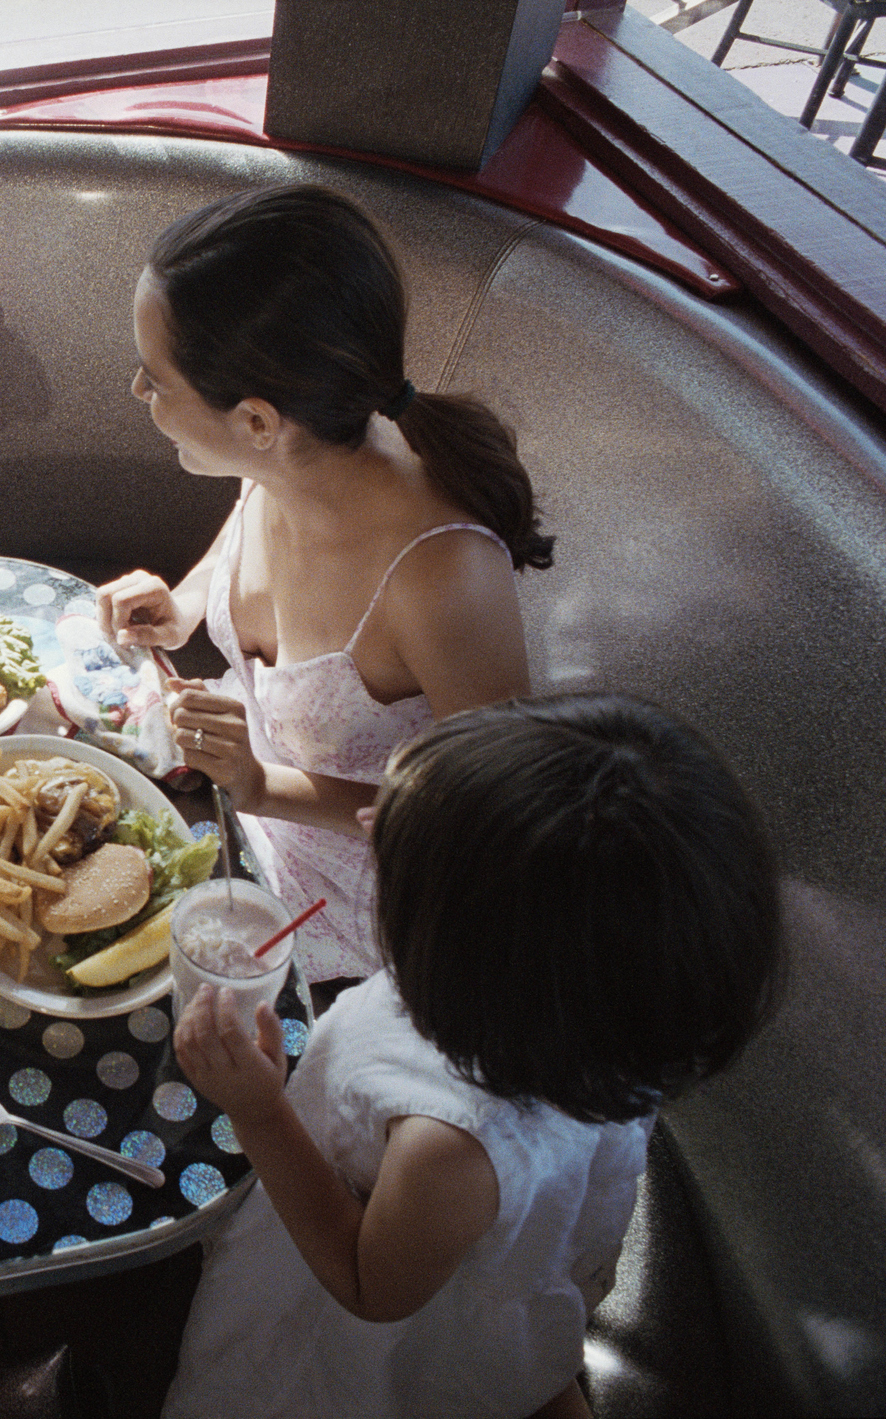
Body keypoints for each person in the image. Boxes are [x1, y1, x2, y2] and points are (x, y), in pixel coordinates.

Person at [166, 693, 783, 1418]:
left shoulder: (449, 1146)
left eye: (397, 852)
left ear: (464, 951)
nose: (368, 824)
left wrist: (261, 1112)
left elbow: (371, 1286)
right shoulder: (595, 1009)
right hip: (480, 1239)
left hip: (373, 1300)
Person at [97, 185, 553, 985]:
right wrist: (186, 604)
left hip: (356, 921)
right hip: (236, 826)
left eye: (154, 379)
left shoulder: (443, 579)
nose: (138, 394)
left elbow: (494, 830)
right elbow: (238, 547)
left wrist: (259, 783)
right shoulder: (290, 458)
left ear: (258, 422)